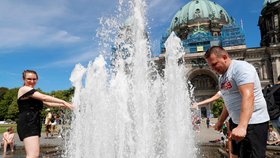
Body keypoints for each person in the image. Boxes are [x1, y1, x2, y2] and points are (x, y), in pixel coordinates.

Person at [204, 46, 270, 158]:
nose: (213, 69)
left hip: (253, 122)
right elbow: (228, 101)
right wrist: (220, 121)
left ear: (224, 57)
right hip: (237, 123)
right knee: (235, 154)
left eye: (214, 64)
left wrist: (242, 126)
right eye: (210, 66)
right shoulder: (222, 77)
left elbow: (248, 96)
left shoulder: (241, 68)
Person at [17, 70, 74, 158]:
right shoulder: (24, 89)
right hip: (27, 122)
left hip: (33, 121)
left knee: (34, 154)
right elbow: (44, 97)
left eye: (34, 79)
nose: (32, 81)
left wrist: (67, 105)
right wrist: (64, 101)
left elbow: (49, 104)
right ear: (23, 79)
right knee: (33, 154)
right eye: (29, 79)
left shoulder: (33, 94)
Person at [192, 91, 238, 158]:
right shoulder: (225, 89)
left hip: (240, 115)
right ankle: (231, 155)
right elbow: (214, 98)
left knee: (233, 137)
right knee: (230, 137)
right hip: (231, 116)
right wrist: (198, 104)